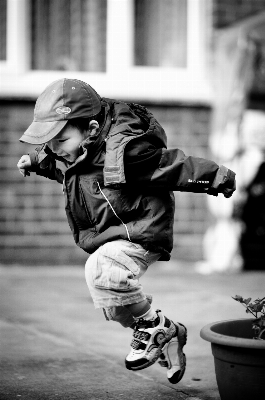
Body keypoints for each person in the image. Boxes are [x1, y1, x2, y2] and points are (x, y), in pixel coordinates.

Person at [17, 78, 236, 384]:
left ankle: (154, 327)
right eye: (49, 143)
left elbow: (173, 167)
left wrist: (216, 176)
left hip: (142, 227)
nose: (55, 150)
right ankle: (166, 333)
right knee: (113, 303)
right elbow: (62, 165)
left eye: (61, 140)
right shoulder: (71, 150)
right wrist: (38, 162)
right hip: (114, 233)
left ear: (92, 130)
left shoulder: (127, 153)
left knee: (102, 270)